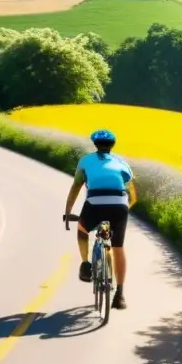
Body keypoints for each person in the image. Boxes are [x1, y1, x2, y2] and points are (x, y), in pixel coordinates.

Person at [64, 129, 137, 310]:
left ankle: (86, 264)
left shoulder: (86, 161)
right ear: (113, 145)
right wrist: (126, 209)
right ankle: (120, 295)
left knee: (82, 229)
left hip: (95, 204)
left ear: (95, 144)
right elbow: (131, 191)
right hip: (119, 205)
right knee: (118, 247)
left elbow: (76, 186)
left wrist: (68, 211)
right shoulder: (122, 162)